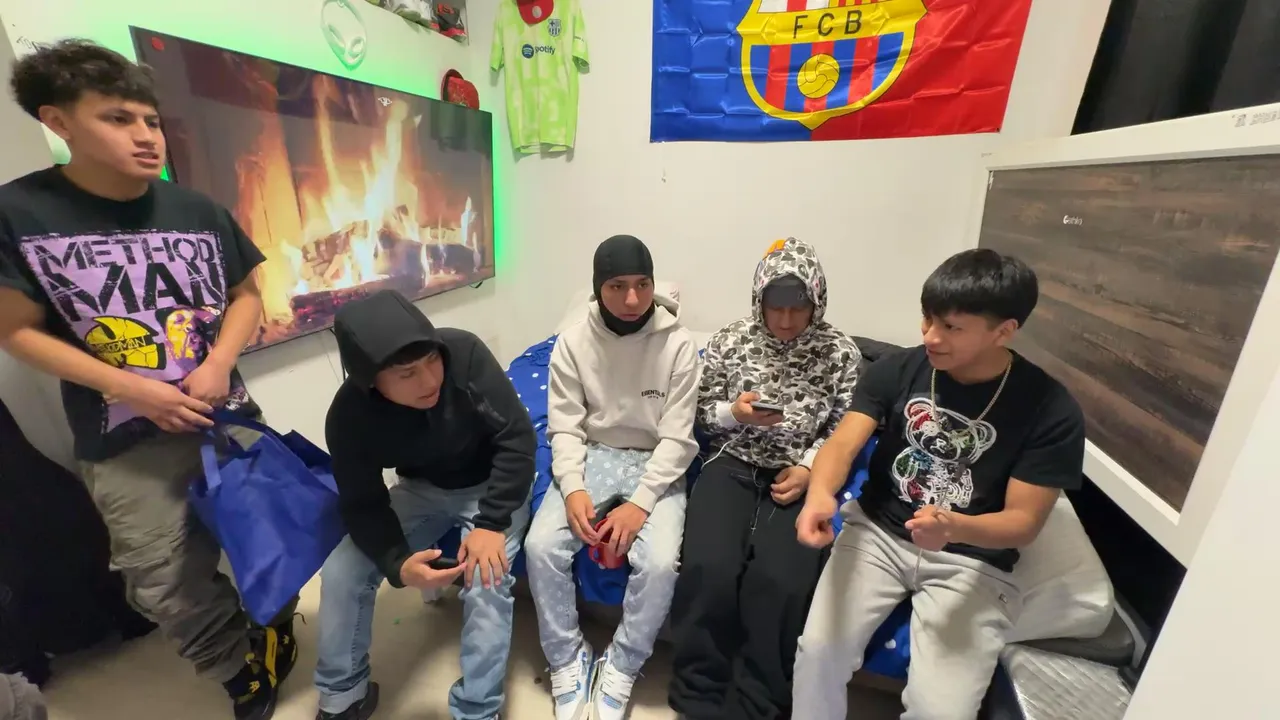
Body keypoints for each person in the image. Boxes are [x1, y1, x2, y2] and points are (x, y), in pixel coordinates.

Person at [0, 40, 298, 720]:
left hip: (227, 417)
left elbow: (247, 295)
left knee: (269, 537)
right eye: (117, 119)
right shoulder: (19, 212)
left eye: (151, 120)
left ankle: (274, 626)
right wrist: (133, 387)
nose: (145, 136)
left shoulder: (196, 209)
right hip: (126, 441)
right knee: (163, 582)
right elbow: (14, 329)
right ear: (58, 121)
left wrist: (217, 364)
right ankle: (238, 671)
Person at [792, 249, 1087, 720]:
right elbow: (843, 443)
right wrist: (820, 495)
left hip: (973, 561)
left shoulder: (1050, 409)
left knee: (941, 711)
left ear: (1004, 331)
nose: (930, 336)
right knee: (818, 653)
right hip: (877, 534)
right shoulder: (898, 369)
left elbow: (1024, 522)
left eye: (951, 327)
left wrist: (955, 528)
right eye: (928, 318)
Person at [316, 289, 536, 720]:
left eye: (432, 361)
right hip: (421, 489)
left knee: (487, 577)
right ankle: (343, 694)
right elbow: (362, 501)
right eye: (407, 374)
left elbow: (517, 440)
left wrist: (491, 523)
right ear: (370, 380)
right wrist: (397, 563)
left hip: (491, 483)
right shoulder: (348, 416)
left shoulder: (464, 353)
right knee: (341, 571)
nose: (430, 380)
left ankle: (477, 710)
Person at [668, 237, 861, 720]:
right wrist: (736, 414)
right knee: (708, 569)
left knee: (782, 582)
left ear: (817, 302)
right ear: (759, 301)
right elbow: (699, 415)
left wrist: (811, 467)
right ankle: (697, 696)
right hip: (730, 462)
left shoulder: (840, 353)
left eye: (799, 309)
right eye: (776, 308)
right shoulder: (731, 340)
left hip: (799, 475)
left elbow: (846, 428)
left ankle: (758, 704)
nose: (786, 321)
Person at [525, 235, 699, 720]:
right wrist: (573, 487)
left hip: (656, 458)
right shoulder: (573, 343)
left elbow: (679, 438)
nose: (632, 299)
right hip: (594, 452)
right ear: (598, 288)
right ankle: (567, 657)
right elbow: (564, 426)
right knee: (540, 546)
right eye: (617, 286)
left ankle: (622, 664)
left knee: (660, 563)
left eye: (643, 284)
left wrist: (641, 502)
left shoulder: (679, 345)